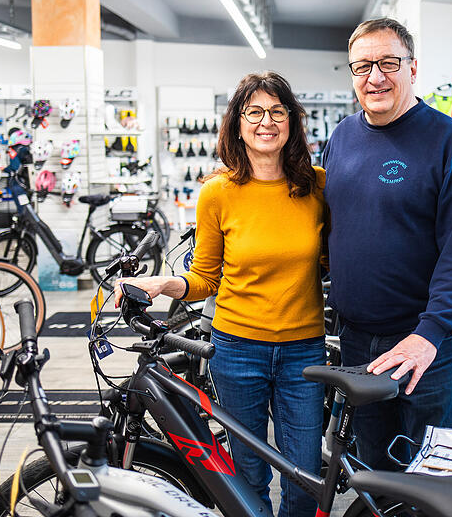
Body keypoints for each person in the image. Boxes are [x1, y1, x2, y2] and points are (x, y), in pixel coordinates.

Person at [115, 71, 326, 517]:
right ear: (238, 122)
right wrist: (158, 284)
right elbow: (205, 279)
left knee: (305, 476)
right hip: (237, 350)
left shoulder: (317, 186)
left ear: (291, 120)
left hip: (303, 351)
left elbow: (337, 262)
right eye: (254, 112)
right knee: (247, 476)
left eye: (276, 111)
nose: (266, 121)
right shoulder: (217, 193)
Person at [322, 18, 452, 469]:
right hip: (357, 343)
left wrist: (429, 335)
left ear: (413, 67)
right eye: (362, 66)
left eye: (388, 62)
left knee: (441, 480)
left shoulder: (451, 142)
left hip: (423, 348)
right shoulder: (341, 138)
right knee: (377, 474)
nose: (375, 77)